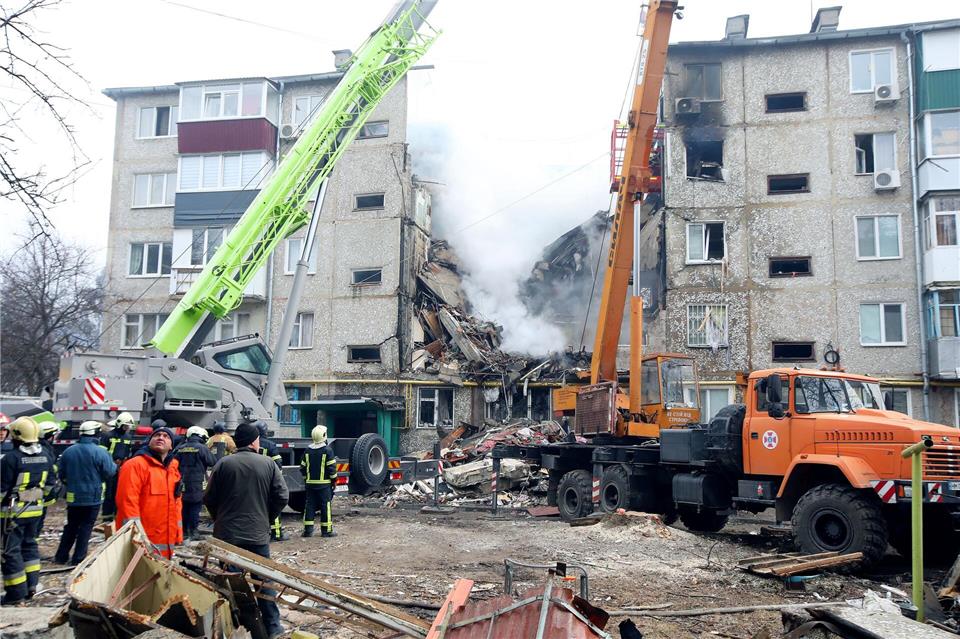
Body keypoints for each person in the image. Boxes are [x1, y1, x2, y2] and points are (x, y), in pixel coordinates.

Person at [204, 422, 287, 639]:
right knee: (264, 582)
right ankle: (273, 627)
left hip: (227, 536)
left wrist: (219, 520)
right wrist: (266, 518)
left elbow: (209, 498)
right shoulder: (268, 464)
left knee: (230, 582)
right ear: (253, 441)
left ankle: (236, 626)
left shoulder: (223, 464)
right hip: (257, 535)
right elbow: (282, 496)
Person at [1, 417, 54, 605]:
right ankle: (32, 587)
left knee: (10, 551)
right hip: (35, 511)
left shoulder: (11, 458)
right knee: (30, 546)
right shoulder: (46, 456)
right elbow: (50, 487)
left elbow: (2, 489)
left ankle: (16, 594)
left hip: (12, 513)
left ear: (16, 436)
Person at [54, 421, 116, 565]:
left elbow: (61, 473)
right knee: (86, 528)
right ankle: (78, 559)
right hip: (93, 498)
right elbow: (110, 472)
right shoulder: (101, 452)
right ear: (96, 434)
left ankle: (61, 557)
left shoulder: (69, 451)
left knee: (71, 526)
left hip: (73, 497)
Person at [115, 426, 182, 558]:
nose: (161, 437)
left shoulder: (173, 468)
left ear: (171, 446)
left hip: (166, 540)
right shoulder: (135, 465)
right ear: (149, 441)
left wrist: (178, 534)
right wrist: (136, 536)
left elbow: (177, 504)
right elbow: (127, 503)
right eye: (157, 435)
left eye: (166, 436)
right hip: (142, 540)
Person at [172, 426, 216, 540]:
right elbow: (212, 461)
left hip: (181, 482)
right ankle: (193, 532)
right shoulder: (202, 448)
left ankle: (183, 532)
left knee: (183, 507)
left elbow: (172, 463)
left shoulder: (180, 448)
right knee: (195, 507)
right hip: (197, 483)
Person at [300, 425, 338, 538]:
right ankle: (326, 531)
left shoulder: (307, 450)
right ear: (324, 436)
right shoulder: (327, 450)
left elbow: (302, 468)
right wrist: (334, 481)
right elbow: (331, 468)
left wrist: (306, 480)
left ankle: (307, 531)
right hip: (324, 485)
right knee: (325, 506)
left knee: (309, 506)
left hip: (310, 484)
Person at [99, 412, 136, 522]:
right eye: (125, 425)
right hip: (109, 467)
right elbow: (102, 452)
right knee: (109, 493)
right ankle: (106, 517)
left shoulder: (128, 437)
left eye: (128, 426)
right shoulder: (107, 436)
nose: (127, 428)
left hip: (122, 468)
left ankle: (116, 515)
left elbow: (128, 451)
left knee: (118, 492)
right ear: (119, 424)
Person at [255, 422, 285, 541]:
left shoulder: (252, 444)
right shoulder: (270, 445)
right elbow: (278, 463)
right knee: (274, 505)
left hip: (255, 481)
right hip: (268, 480)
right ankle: (276, 534)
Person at [36, 421, 61, 533]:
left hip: (38, 492)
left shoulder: (40, 448)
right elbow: (51, 472)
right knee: (37, 522)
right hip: (42, 492)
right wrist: (49, 494)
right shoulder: (45, 450)